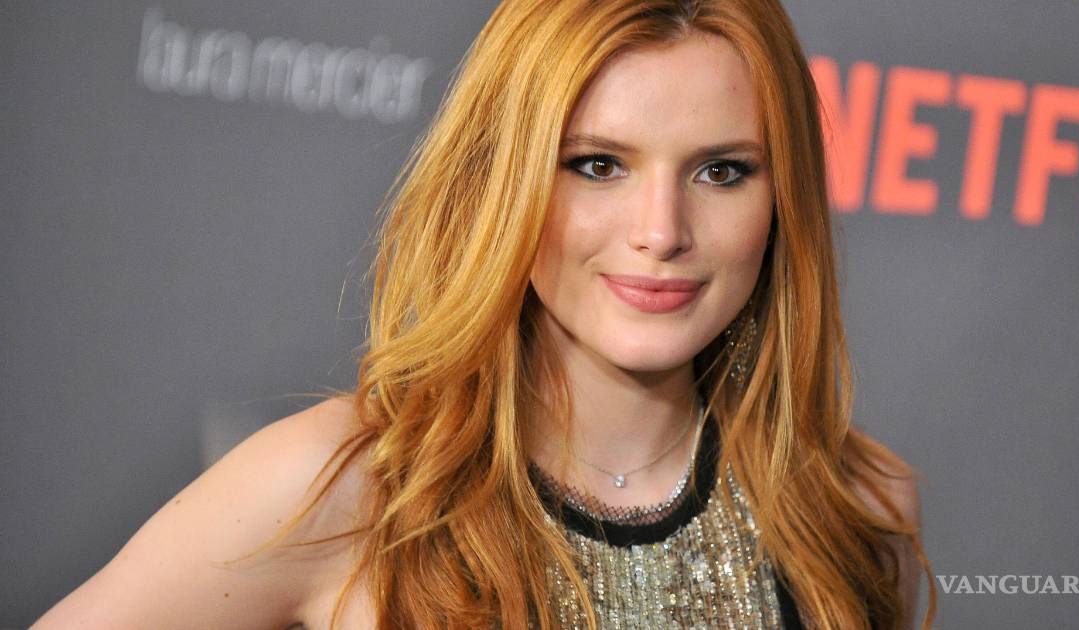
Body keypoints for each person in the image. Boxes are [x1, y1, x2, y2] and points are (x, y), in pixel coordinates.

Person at [33, 0, 936, 628]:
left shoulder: (853, 507)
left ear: (783, 203)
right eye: (596, 165)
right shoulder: (350, 491)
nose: (662, 231)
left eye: (721, 171)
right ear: (500, 181)